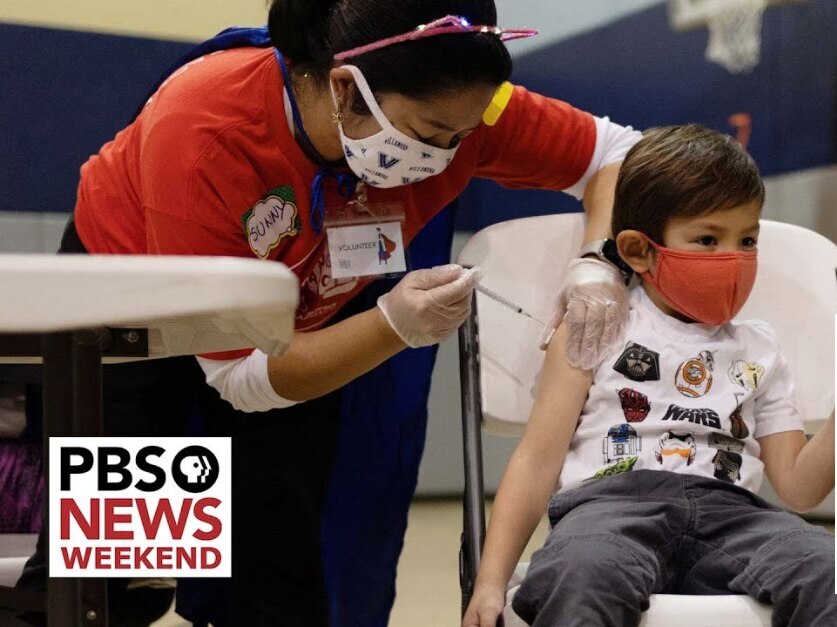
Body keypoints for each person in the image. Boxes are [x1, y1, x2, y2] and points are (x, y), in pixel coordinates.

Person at [16, 1, 642, 625]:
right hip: (135, 312)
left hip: (294, 318)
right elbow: (239, 378)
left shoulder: (456, 101)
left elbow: (618, 152)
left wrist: (599, 260)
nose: (449, 155)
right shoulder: (208, 127)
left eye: (463, 136)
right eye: (429, 136)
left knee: (278, 560)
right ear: (346, 88)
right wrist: (392, 326)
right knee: (117, 569)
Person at [463, 125, 837, 627]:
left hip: (736, 517)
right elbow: (536, 462)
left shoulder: (760, 348)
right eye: (708, 239)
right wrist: (489, 581)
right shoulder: (595, 326)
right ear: (638, 250)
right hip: (610, 511)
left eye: (748, 240)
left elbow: (800, 489)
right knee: (580, 573)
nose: (733, 259)